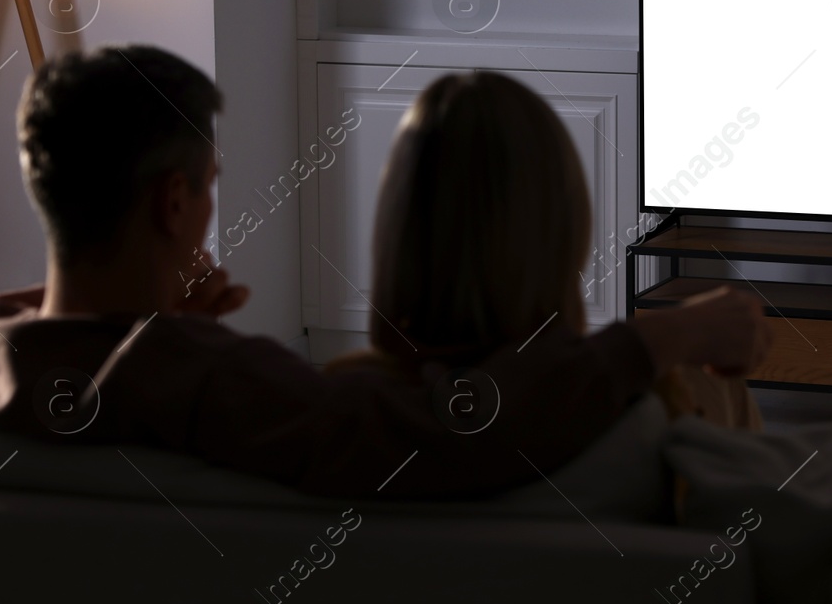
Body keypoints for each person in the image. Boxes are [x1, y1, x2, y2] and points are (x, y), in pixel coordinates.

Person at [0, 46, 769, 499]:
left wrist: (160, 323)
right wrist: (663, 333)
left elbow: (106, 369)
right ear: (174, 204)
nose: (210, 207)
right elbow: (455, 426)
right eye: (207, 187)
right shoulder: (232, 384)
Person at [326, 69, 765, 430]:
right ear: (566, 227)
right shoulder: (663, 403)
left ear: (396, 229)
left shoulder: (331, 410)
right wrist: (661, 340)